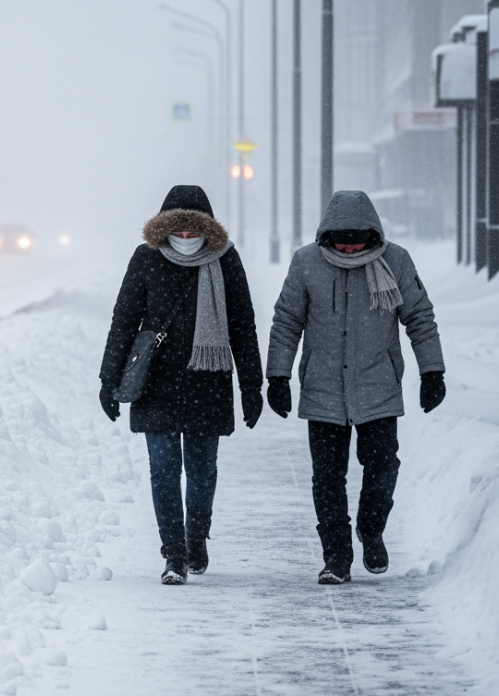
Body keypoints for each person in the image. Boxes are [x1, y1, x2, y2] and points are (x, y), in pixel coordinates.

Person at [266, 190, 445, 585]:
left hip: (377, 386)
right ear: (327, 235)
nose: (349, 247)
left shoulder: (395, 260)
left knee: (382, 467)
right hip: (323, 389)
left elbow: (419, 316)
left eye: (357, 240)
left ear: (372, 235)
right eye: (342, 239)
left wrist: (432, 371)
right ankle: (336, 556)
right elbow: (286, 322)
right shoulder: (306, 263)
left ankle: (370, 528)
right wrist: (276, 376)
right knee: (327, 478)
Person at [99, 185, 264, 585]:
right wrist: (109, 378)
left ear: (208, 230)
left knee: (203, 470)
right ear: (163, 229)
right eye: (179, 231)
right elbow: (124, 320)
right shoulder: (146, 259)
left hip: (208, 380)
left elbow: (243, 325)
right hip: (157, 381)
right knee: (164, 469)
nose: (186, 239)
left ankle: (196, 536)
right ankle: (174, 553)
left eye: (194, 232)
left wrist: (252, 387)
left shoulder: (226, 261)